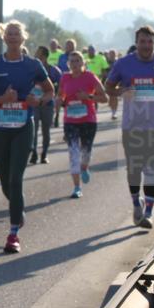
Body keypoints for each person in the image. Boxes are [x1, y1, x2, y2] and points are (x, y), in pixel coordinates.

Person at [0, 20, 54, 253]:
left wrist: (38, 101)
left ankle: (13, 234)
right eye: (8, 33)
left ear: (23, 38)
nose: (12, 37)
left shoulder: (33, 64)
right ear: (3, 37)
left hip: (22, 127)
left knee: (15, 178)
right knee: (6, 181)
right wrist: (1, 100)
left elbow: (49, 91)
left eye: (16, 34)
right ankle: (18, 210)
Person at [105, 25, 154, 228]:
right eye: (142, 41)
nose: (146, 46)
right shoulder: (123, 63)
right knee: (133, 168)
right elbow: (108, 87)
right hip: (132, 124)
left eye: (149, 42)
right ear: (136, 42)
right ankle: (135, 204)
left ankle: (148, 213)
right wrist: (123, 91)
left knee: (150, 168)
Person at [57, 51, 108, 198]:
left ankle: (84, 167)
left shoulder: (90, 77)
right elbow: (60, 94)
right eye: (72, 61)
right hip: (70, 121)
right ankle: (77, 187)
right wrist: (59, 100)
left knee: (85, 153)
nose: (74, 64)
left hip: (88, 120)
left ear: (83, 63)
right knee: (74, 154)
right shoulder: (65, 77)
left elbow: (104, 98)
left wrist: (88, 97)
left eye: (77, 61)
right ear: (68, 64)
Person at [32, 46, 62, 164]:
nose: (35, 56)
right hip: (34, 103)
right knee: (33, 130)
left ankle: (44, 154)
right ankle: (33, 152)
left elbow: (61, 85)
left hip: (47, 104)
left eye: (38, 54)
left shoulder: (53, 70)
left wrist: (55, 94)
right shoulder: (32, 69)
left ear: (44, 57)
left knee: (46, 130)